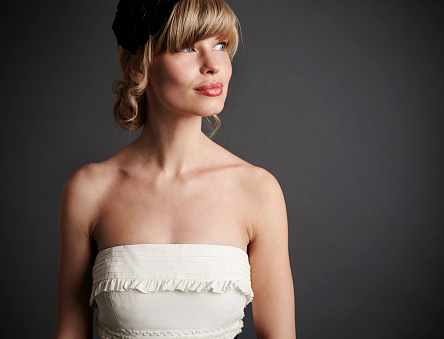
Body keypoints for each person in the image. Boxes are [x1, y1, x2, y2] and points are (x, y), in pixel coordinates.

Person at [54, 0, 295, 338]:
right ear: (139, 67)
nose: (213, 65)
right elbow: (69, 331)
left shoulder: (257, 190)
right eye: (186, 47)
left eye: (220, 45)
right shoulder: (89, 190)